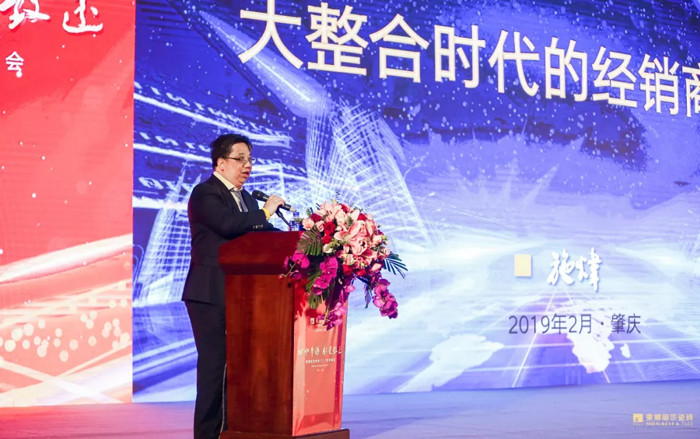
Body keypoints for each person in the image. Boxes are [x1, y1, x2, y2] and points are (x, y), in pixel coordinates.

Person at [181, 133, 285, 439]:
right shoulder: (205, 193)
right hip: (210, 293)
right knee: (215, 369)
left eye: (250, 159)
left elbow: (261, 235)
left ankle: (232, 432)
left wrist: (304, 239)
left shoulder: (247, 199)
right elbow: (227, 225)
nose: (247, 165)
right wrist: (264, 212)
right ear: (221, 163)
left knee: (240, 371)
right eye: (240, 159)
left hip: (243, 295)